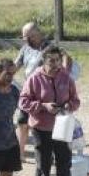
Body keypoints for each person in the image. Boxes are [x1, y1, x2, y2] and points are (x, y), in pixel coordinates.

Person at [19, 46, 80, 176]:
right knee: (43, 166)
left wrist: (68, 106)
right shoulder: (34, 78)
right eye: (51, 60)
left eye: (57, 60)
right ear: (44, 61)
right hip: (41, 128)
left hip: (63, 128)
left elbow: (76, 101)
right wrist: (43, 106)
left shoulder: (67, 78)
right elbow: (23, 102)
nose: (55, 64)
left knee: (64, 165)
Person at [13, 23, 72, 158]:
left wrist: (64, 74)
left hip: (46, 90)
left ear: (37, 34)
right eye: (24, 37)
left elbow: (66, 57)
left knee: (48, 124)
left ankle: (51, 154)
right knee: (22, 122)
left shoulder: (50, 47)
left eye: (28, 37)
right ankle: (20, 154)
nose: (26, 40)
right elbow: (16, 65)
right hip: (30, 90)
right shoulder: (25, 48)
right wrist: (5, 73)